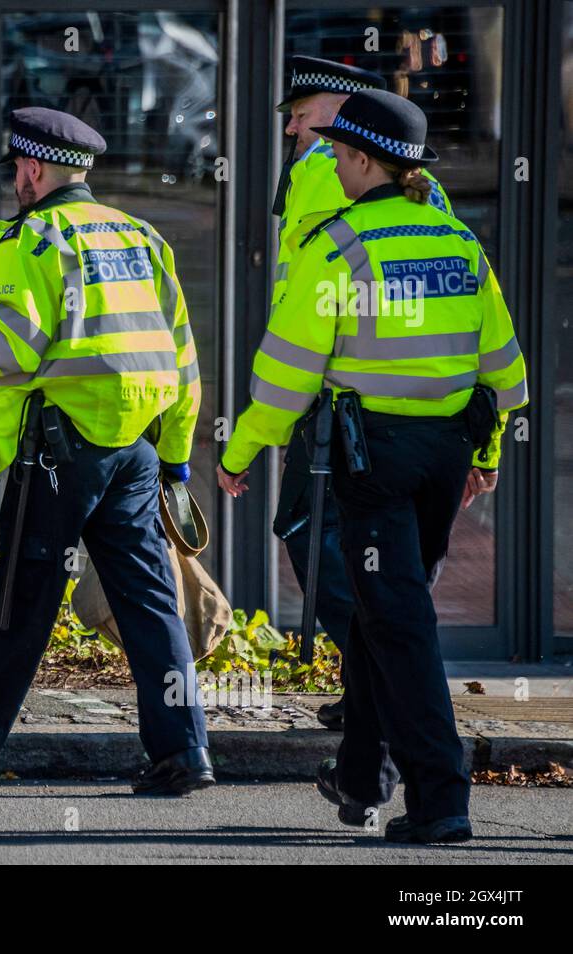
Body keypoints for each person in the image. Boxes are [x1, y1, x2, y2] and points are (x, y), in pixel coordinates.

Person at [218, 90, 528, 843]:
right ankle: (361, 777)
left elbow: (286, 376)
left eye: (337, 153)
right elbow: (507, 373)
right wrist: (485, 455)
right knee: (377, 612)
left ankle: (442, 799)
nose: (329, 161)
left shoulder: (338, 247)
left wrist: (238, 450)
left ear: (361, 160)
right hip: (445, 458)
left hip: (374, 460)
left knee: (400, 622)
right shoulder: (458, 243)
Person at [0, 107, 212, 795]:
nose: (16, 184)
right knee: (152, 605)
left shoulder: (33, 239)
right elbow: (183, 364)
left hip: (60, 451)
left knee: (20, 603)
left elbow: (9, 347)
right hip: (138, 453)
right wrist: (175, 460)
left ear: (33, 169)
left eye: (17, 172)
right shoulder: (142, 237)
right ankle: (185, 753)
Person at [271, 56, 453, 732]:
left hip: (338, 398)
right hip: (420, 405)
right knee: (381, 555)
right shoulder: (421, 185)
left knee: (310, 533)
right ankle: (371, 697)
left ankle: (383, 683)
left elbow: (313, 299)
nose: (293, 127)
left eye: (303, 112)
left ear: (345, 112)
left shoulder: (325, 170)